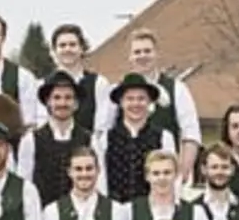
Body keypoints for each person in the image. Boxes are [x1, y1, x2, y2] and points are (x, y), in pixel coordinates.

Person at [122, 29, 201, 182]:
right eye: (137, 52)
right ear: (130, 57)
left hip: (165, 178)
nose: (142, 56)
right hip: (128, 177)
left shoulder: (177, 89)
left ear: (156, 54)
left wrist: (182, 175)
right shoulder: (118, 93)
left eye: (147, 51)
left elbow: (190, 134)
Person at [95, 73, 177, 203]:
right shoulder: (105, 138)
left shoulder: (164, 137)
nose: (136, 104)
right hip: (116, 209)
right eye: (130, 99)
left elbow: (172, 178)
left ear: (149, 102)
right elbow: (101, 180)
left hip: (151, 210)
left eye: (141, 99)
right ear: (121, 102)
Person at [17, 71, 88, 206]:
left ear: (76, 104)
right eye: (57, 97)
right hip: (43, 217)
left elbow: (99, 184)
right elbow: (24, 187)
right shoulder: (31, 140)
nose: (62, 103)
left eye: (68, 98)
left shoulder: (89, 140)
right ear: (47, 102)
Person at [48, 23, 113, 136]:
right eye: (62, 45)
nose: (67, 49)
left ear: (82, 48)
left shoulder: (99, 84)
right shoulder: (42, 85)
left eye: (72, 45)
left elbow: (102, 127)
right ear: (54, 51)